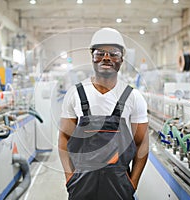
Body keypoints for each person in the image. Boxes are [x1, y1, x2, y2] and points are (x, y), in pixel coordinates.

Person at [58, 27, 149, 200]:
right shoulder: (76, 94)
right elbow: (63, 139)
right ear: (92, 56)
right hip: (81, 185)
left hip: (119, 186)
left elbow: (142, 144)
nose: (106, 58)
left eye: (113, 53)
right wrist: (69, 178)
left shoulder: (133, 97)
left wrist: (132, 184)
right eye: (100, 52)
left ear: (122, 59)